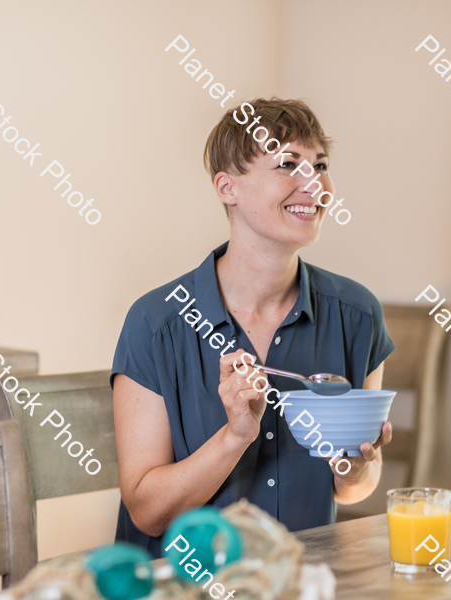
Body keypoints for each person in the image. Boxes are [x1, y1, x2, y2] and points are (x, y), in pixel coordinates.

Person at [110, 98, 395, 557]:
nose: (315, 183)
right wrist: (234, 437)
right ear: (228, 188)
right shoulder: (155, 323)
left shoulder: (357, 315)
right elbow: (147, 511)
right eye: (288, 163)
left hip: (298, 581)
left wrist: (355, 468)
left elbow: (354, 488)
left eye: (320, 165)